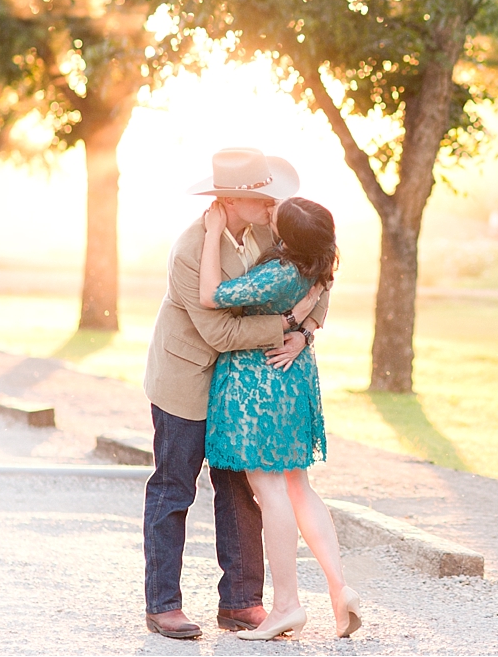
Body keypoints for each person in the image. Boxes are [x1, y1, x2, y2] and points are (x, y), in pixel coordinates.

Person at [142, 148, 316, 640]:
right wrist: (283, 325)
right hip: (187, 379)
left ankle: (240, 602)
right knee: (175, 486)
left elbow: (313, 274)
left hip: (237, 386)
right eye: (263, 200)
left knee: (239, 488)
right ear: (235, 200)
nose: (273, 208)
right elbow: (217, 334)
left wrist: (305, 332)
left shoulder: (266, 232)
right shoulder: (191, 250)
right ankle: (163, 605)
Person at [199, 194, 361, 641]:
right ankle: (338, 588)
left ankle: (287, 603)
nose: (271, 212)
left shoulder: (279, 272)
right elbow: (311, 302)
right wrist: (302, 328)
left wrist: (213, 232)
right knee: (298, 486)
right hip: (296, 379)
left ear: (289, 235)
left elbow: (212, 296)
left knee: (269, 489)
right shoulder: (320, 264)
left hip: (262, 382)